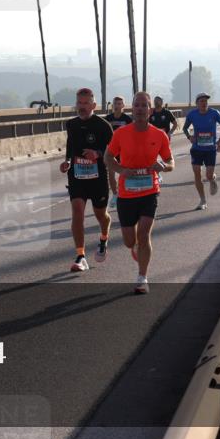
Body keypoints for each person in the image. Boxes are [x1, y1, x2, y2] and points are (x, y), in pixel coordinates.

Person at [104, 91, 175, 294]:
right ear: (132, 109)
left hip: (149, 191)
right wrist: (121, 170)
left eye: (145, 105)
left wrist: (164, 166)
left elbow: (171, 162)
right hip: (126, 194)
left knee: (144, 234)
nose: (141, 109)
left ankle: (142, 277)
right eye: (137, 105)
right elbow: (108, 158)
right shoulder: (120, 134)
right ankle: (135, 247)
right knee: (129, 241)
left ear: (150, 110)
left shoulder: (159, 135)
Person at [60, 87, 114, 271]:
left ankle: (104, 237)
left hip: (98, 177)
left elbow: (114, 152)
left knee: (101, 215)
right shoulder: (71, 124)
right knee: (77, 211)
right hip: (77, 176)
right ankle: (80, 256)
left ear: (94, 105)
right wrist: (67, 161)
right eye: (79, 103)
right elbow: (70, 146)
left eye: (85, 103)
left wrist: (97, 153)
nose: (81, 107)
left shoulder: (103, 126)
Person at [182, 93, 220, 210]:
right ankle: (203, 200)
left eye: (206, 101)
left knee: (208, 175)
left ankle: (212, 179)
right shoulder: (192, 114)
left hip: (210, 149)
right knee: (197, 173)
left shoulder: (214, 113)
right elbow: (184, 128)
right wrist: (189, 137)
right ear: (197, 103)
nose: (204, 103)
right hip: (197, 148)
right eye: (201, 101)